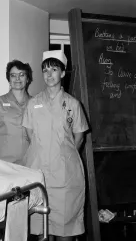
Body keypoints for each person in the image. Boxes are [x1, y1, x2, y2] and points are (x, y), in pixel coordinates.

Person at [22, 50, 89, 241]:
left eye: (54, 69)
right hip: (39, 170)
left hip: (65, 174)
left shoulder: (73, 104)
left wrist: (63, 157)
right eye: (45, 70)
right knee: (41, 229)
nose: (49, 74)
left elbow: (79, 137)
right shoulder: (33, 103)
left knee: (65, 229)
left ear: (63, 73)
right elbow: (30, 135)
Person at [0, 60, 33, 165]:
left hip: (28, 159)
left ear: (27, 79)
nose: (17, 79)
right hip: (2, 159)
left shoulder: (35, 103)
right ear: (9, 79)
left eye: (22, 75)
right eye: (13, 75)